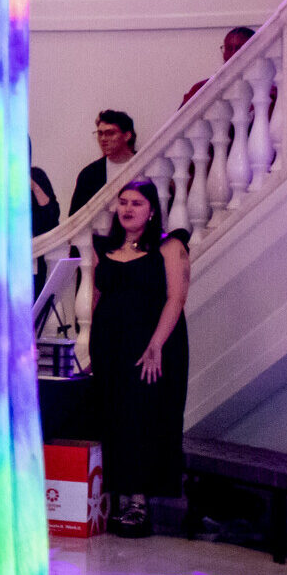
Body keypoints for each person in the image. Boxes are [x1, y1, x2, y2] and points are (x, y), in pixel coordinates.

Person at [91, 180, 188, 538]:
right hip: (110, 346)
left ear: (151, 211)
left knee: (143, 418)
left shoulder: (170, 245)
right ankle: (114, 499)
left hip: (151, 346)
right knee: (111, 416)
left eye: (136, 203)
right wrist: (92, 347)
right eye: (123, 202)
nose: (128, 208)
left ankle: (139, 504)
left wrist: (156, 344)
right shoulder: (104, 247)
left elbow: (176, 297)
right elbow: (97, 297)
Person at [69, 109, 137, 213]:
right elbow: (75, 217)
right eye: (100, 133)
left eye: (110, 133)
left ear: (127, 136)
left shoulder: (146, 163)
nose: (103, 139)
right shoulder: (89, 174)